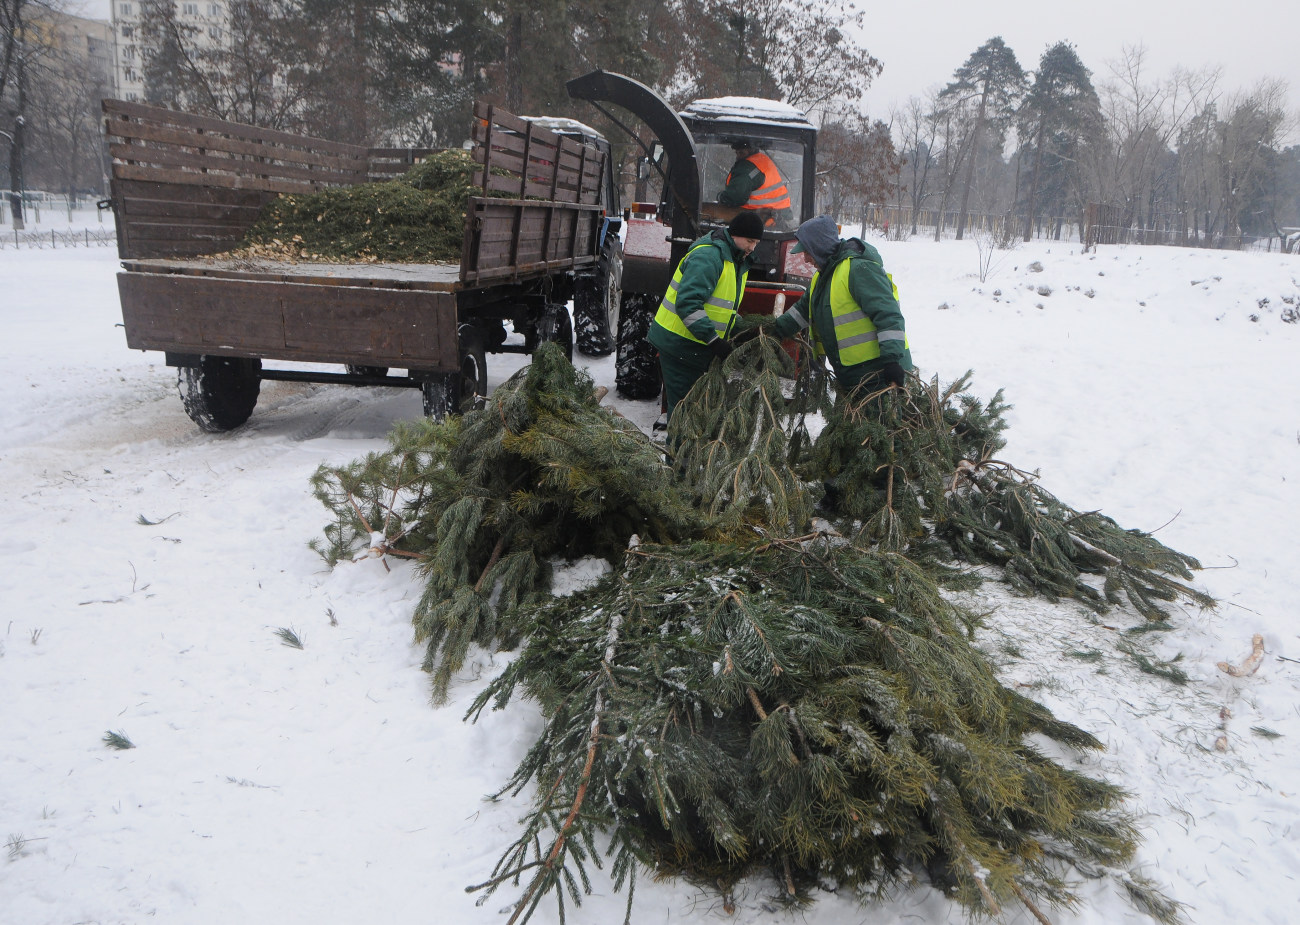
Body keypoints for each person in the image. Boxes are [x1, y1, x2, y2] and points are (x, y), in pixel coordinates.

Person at [769, 214, 912, 392]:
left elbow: (888, 314)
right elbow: (802, 311)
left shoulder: (858, 270)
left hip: (879, 375)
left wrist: (892, 361)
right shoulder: (822, 278)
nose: (805, 259)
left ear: (819, 247)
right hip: (852, 376)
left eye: (807, 252)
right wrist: (774, 331)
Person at [649, 210, 764, 421]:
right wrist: (714, 340)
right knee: (684, 413)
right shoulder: (709, 257)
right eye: (750, 241)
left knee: (694, 411)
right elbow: (688, 304)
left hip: (695, 344)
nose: (752, 247)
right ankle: (678, 453)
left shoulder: (737, 261)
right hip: (679, 344)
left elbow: (721, 308)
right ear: (735, 234)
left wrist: (742, 327)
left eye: (756, 242)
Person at [717, 138, 792, 227]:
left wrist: (720, 197)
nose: (737, 157)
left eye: (741, 153)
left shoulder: (746, 167)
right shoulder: (763, 160)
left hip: (763, 219)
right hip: (779, 215)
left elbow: (735, 197)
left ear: (751, 150)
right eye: (737, 153)